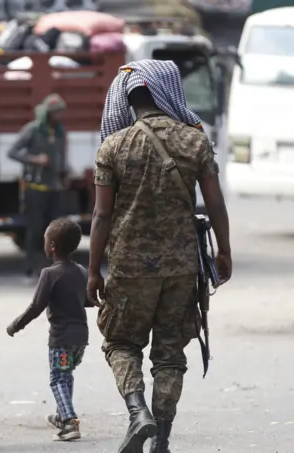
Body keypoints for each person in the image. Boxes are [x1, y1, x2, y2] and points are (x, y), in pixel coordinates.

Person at [87, 60, 232, 453]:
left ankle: (138, 414)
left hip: (128, 268)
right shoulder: (195, 141)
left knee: (120, 342)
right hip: (183, 268)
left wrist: (92, 271)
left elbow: (101, 214)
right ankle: (161, 440)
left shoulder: (112, 146)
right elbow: (215, 204)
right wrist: (224, 252)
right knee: (170, 355)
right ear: (168, 93)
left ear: (128, 100)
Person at [6, 218, 90, 442]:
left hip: (61, 339)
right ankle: (63, 414)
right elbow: (87, 300)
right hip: (81, 338)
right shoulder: (81, 270)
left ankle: (70, 422)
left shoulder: (49, 274)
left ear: (51, 246)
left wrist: (16, 324)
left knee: (57, 379)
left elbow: (36, 306)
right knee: (66, 374)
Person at [7, 93, 69, 281]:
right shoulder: (32, 130)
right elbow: (13, 152)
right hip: (35, 189)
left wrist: (65, 172)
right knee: (35, 230)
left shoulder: (60, 131)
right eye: (56, 112)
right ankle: (32, 269)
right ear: (48, 113)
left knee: (55, 231)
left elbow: (62, 155)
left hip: (54, 188)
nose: (60, 115)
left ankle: (54, 268)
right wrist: (35, 159)